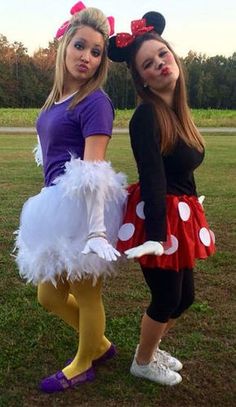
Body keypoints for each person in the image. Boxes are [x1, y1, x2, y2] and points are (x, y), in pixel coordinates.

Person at [14, 2, 127, 393]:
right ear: (64, 45)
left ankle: (84, 362)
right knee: (49, 294)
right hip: (53, 202)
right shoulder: (54, 101)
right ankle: (100, 344)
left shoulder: (95, 102)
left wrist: (95, 231)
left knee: (85, 291)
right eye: (81, 46)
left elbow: (93, 173)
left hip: (81, 206)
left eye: (96, 52)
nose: (88, 57)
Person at [108, 11, 215, 386]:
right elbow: (153, 180)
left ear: (173, 56)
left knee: (183, 298)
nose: (159, 65)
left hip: (181, 213)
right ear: (143, 80)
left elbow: (181, 168)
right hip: (158, 216)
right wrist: (156, 236)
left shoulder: (177, 112)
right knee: (167, 298)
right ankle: (142, 361)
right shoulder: (146, 117)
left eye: (162, 56)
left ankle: (150, 349)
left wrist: (193, 207)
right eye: (148, 65)